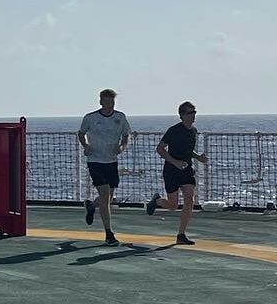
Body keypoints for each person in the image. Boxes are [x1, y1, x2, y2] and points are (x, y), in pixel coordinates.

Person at [146, 101, 208, 245]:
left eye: (194, 112)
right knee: (173, 206)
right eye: (189, 113)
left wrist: (198, 157)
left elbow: (187, 150)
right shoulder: (174, 130)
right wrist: (175, 162)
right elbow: (160, 149)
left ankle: (181, 234)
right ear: (181, 115)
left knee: (189, 199)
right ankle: (157, 201)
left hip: (186, 170)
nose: (193, 116)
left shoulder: (193, 131)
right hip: (171, 171)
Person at [77, 88, 131, 246]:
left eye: (112, 102)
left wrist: (122, 146)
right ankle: (109, 233)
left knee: (108, 198)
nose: (110, 105)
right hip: (95, 161)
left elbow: (126, 134)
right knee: (106, 195)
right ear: (101, 102)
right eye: (107, 102)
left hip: (111, 161)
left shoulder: (120, 117)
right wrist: (85, 145)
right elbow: (81, 133)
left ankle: (91, 206)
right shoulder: (90, 118)